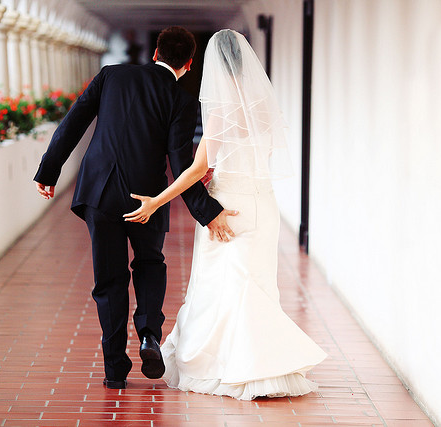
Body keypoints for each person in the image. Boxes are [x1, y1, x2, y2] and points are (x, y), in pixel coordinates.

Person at [124, 29, 327, 400]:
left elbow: (194, 170)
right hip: (261, 204)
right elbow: (260, 158)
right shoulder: (265, 106)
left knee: (221, 283)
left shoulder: (220, 112)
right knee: (257, 282)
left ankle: (229, 366)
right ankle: (264, 363)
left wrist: (156, 200)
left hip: (227, 207)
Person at [33, 26, 237, 390]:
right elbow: (182, 161)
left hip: (98, 192)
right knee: (149, 263)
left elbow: (75, 121)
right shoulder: (182, 99)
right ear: (188, 64)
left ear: (155, 53)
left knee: (109, 280)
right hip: (146, 198)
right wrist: (207, 211)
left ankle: (114, 369)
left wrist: (49, 170)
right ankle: (149, 335)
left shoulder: (112, 75)